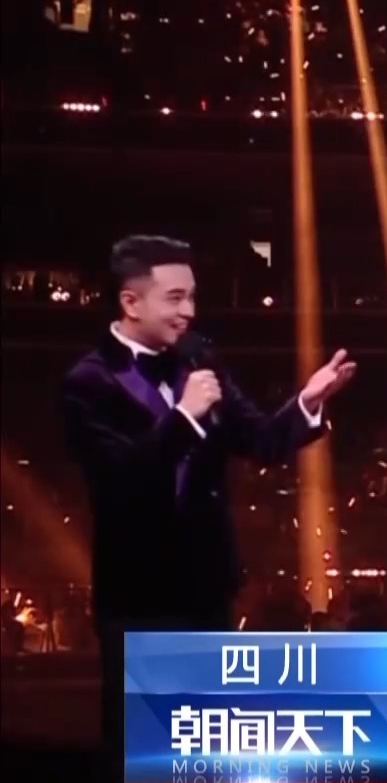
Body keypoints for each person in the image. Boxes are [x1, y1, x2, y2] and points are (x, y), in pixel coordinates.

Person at [60, 235, 357, 773]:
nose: (189, 312)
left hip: (207, 584)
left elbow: (260, 440)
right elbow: (119, 478)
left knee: (203, 745)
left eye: (192, 296)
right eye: (175, 298)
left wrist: (307, 403)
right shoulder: (89, 381)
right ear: (131, 302)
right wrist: (184, 418)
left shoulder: (200, 362)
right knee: (142, 750)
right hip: (137, 593)